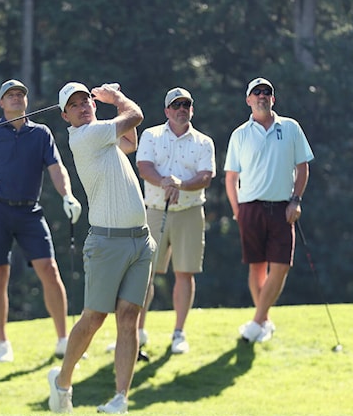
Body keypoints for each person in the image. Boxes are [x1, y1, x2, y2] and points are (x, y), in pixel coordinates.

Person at [0, 79, 81, 362]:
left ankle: (62, 339)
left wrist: (67, 195)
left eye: (20, 95)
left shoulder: (41, 133)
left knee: (50, 270)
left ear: (26, 101)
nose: (17, 99)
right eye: (10, 96)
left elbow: (57, 169)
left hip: (30, 211)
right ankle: (3, 343)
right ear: (1, 103)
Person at [47, 82, 155, 415]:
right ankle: (62, 381)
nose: (83, 107)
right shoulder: (84, 137)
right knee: (94, 317)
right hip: (107, 242)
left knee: (128, 317)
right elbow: (135, 115)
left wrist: (111, 107)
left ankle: (120, 398)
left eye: (86, 101)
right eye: (74, 105)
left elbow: (130, 142)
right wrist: (116, 97)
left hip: (140, 240)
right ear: (65, 116)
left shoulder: (103, 136)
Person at [224, 77, 314, 344]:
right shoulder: (239, 134)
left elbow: (303, 167)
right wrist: (237, 210)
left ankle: (256, 321)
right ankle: (264, 321)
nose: (262, 96)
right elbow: (231, 177)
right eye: (257, 92)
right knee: (256, 266)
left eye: (267, 92)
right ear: (248, 100)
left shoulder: (291, 127)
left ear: (273, 99)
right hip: (250, 207)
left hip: (282, 207)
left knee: (281, 266)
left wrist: (296, 200)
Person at [135, 87, 215, 354]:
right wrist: (165, 183)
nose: (182, 109)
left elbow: (205, 177)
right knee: (144, 273)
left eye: (186, 105)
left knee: (184, 272)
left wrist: (180, 185)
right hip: (155, 209)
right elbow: (144, 167)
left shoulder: (204, 141)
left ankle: (178, 333)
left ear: (191, 109)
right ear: (167, 110)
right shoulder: (151, 135)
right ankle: (137, 332)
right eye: (176, 105)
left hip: (190, 211)